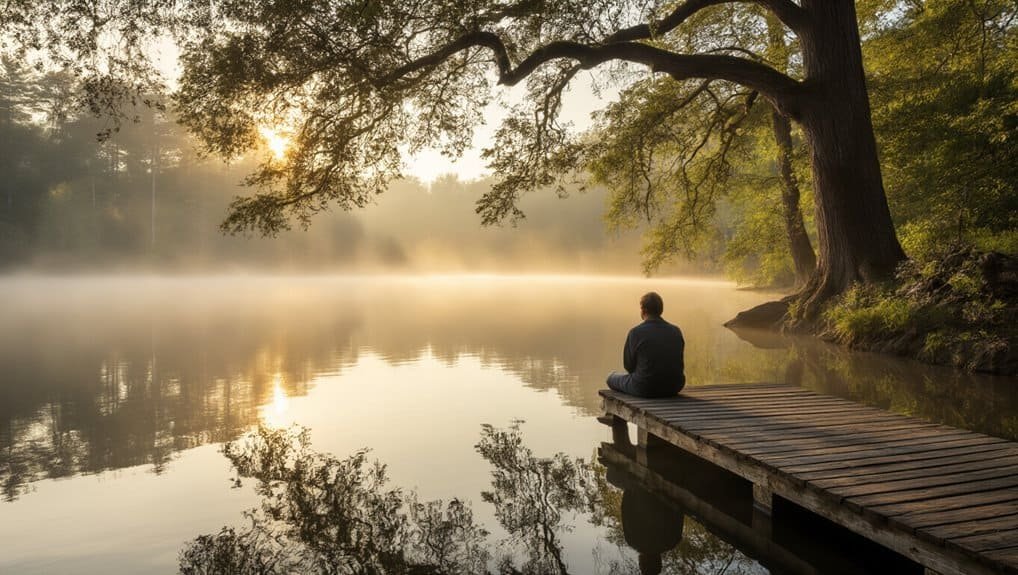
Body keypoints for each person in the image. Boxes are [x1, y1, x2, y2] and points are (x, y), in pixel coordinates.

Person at [606, 292, 685, 397]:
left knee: (611, 377)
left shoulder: (635, 333)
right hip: (674, 386)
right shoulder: (676, 331)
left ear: (644, 310)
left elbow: (629, 366)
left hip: (645, 387)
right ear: (660, 309)